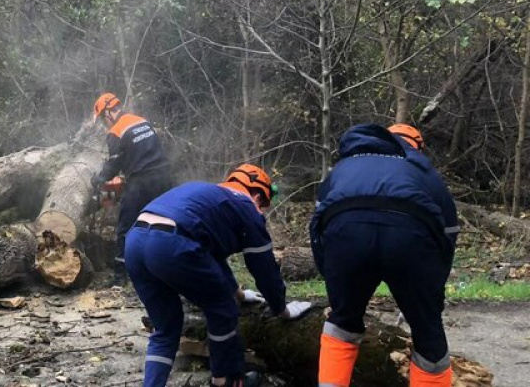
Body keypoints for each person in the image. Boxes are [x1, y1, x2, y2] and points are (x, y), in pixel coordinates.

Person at [126, 164, 312, 387]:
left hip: (135, 242)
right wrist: (282, 308)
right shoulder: (245, 205)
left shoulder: (208, 198)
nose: (261, 211)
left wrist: (239, 293)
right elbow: (263, 267)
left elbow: (211, 258)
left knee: (165, 329)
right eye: (262, 205)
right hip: (171, 243)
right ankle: (224, 380)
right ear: (256, 194)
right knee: (222, 309)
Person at [310, 123, 459, 387]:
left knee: (343, 321)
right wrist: (432, 292)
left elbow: (317, 230)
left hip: (346, 235)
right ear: (418, 146)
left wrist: (334, 282)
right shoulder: (424, 171)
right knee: (427, 330)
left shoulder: (341, 169)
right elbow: (448, 233)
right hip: (410, 238)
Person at [91, 93, 174, 285]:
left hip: (141, 182)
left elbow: (113, 164)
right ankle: (166, 270)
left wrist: (99, 180)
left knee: (125, 227)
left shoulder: (116, 131)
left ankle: (120, 278)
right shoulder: (142, 121)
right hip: (164, 177)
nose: (105, 123)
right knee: (162, 224)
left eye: (104, 119)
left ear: (107, 114)